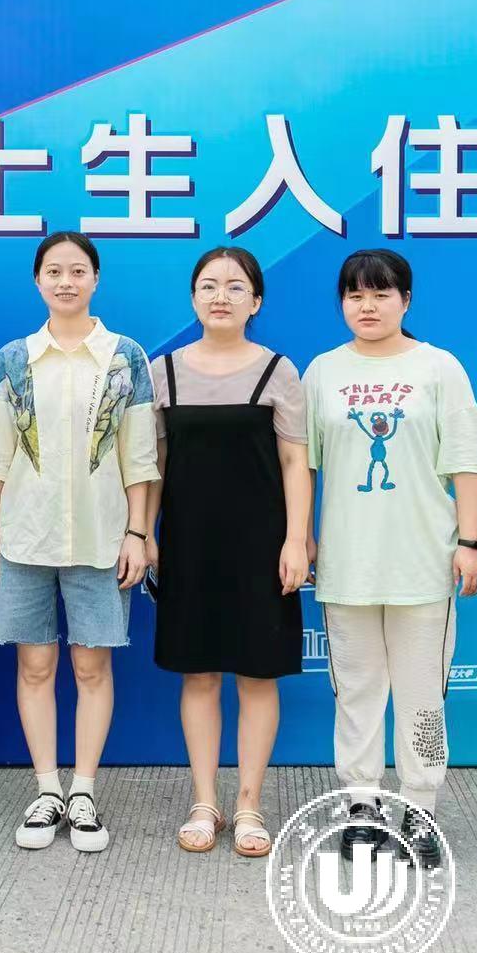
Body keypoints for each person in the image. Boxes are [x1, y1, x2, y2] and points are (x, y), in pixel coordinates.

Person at [303, 249, 477, 870]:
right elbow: (302, 465)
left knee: (422, 697)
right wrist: (301, 537)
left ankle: (420, 809)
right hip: (347, 565)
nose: (367, 306)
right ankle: (360, 806)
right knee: (356, 693)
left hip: (424, 562)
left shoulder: (438, 367)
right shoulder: (323, 372)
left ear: (406, 301)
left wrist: (471, 543)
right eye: (355, 295)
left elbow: (467, 461)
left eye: (381, 294)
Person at [0, 232, 158, 853]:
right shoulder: (13, 360)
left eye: (78, 271)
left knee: (90, 666)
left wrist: (138, 533)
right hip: (25, 538)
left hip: (103, 539)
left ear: (96, 279)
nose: (66, 282)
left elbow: (139, 457)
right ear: (38, 281)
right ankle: (46, 789)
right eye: (54, 271)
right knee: (35, 665)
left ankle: (83, 792)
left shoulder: (125, 358)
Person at [150, 246, 311, 858]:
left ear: (256, 301)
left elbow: (295, 461)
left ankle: (248, 804)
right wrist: (144, 533)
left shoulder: (278, 371)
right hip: (188, 543)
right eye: (209, 286)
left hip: (261, 545)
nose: (221, 296)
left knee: (258, 674)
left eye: (236, 286)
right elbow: (154, 464)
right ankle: (204, 802)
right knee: (198, 673)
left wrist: (296, 539)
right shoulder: (163, 372)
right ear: (193, 298)